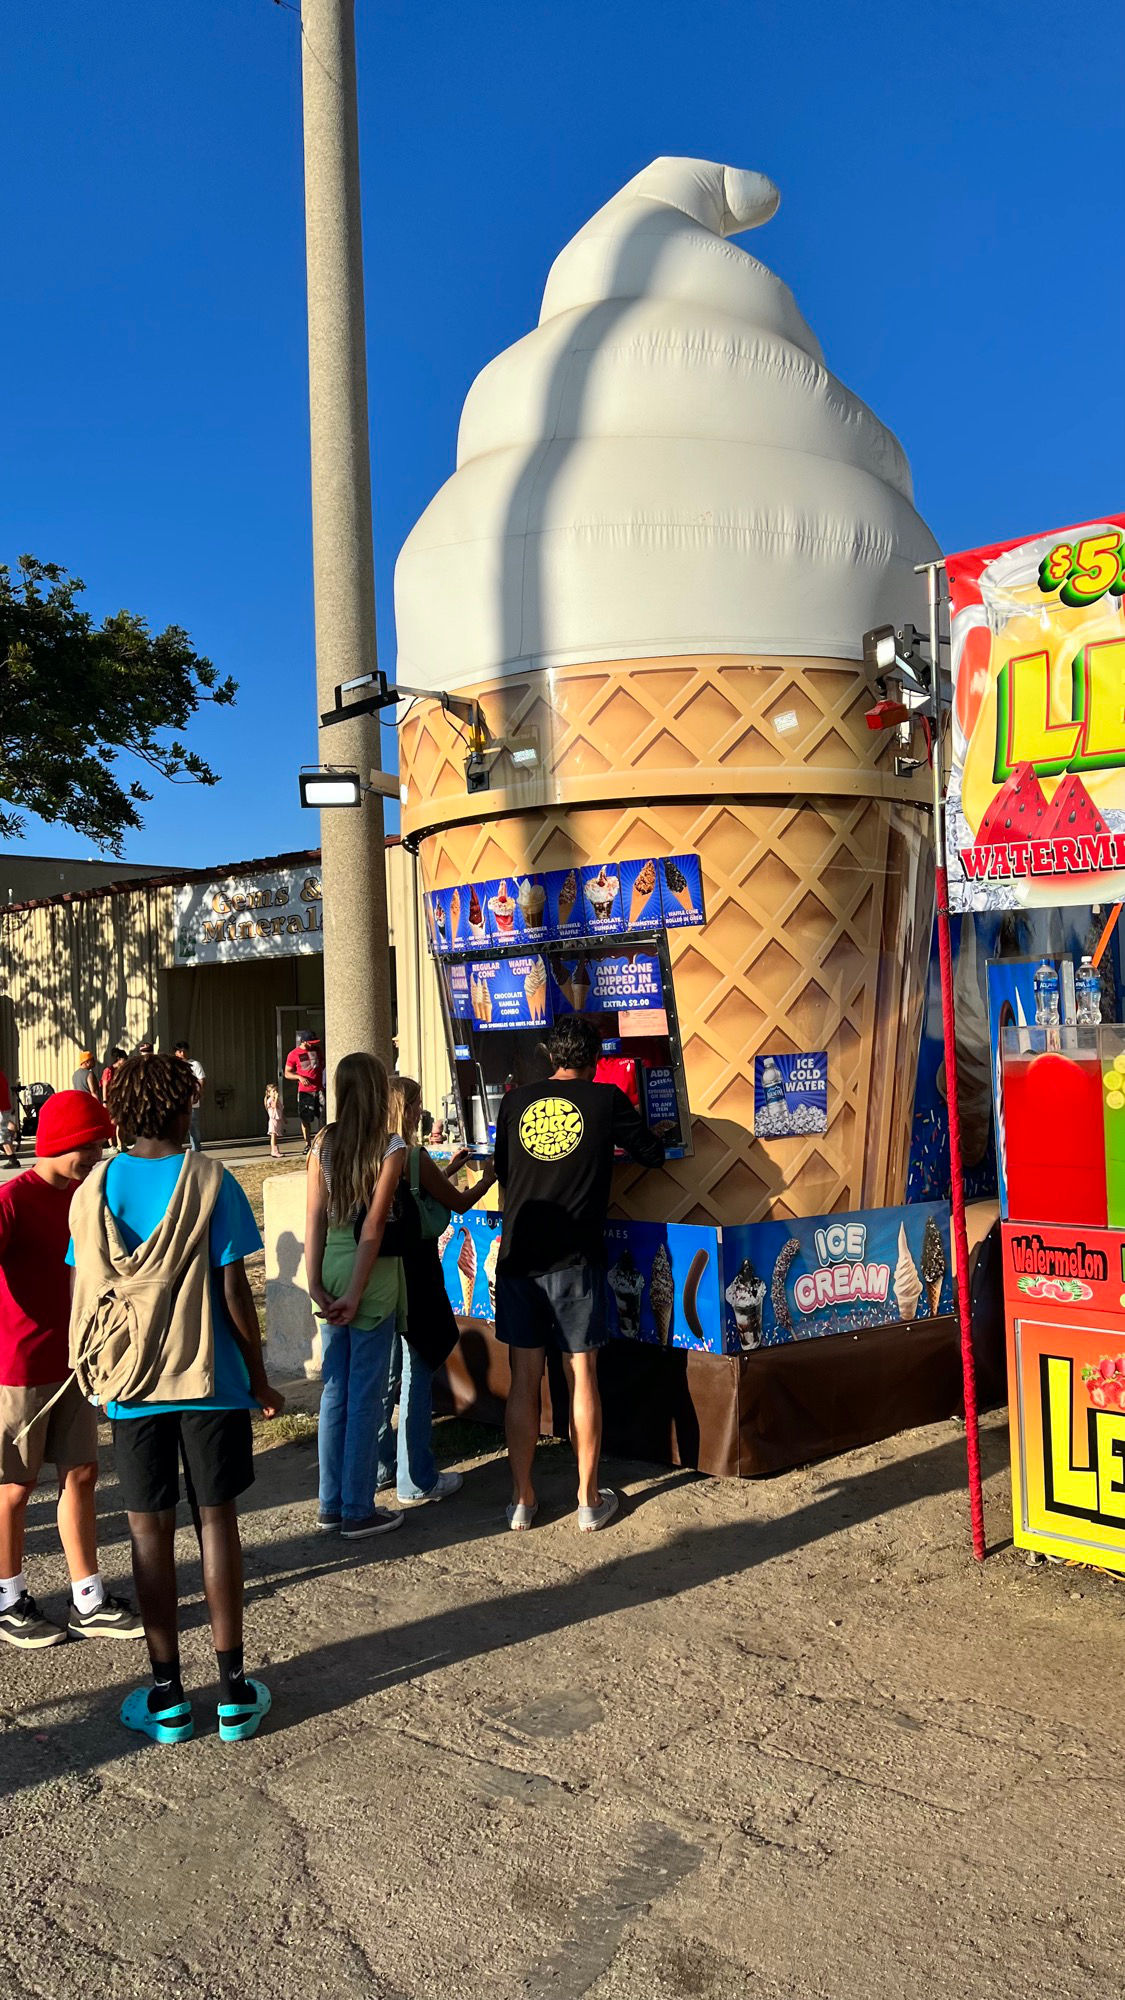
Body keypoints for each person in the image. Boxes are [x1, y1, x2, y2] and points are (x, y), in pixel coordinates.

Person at [69, 1053, 284, 1744]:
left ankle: (165, 1696)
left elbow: (94, 1285)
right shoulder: (211, 1181)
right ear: (184, 1109)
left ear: (120, 1115)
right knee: (216, 1524)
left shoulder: (96, 1188)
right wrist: (258, 1376)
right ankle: (231, 1693)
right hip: (211, 1381)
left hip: (132, 1384)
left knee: (146, 1531)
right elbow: (232, 1295)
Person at [494, 1014, 664, 1533]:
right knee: (582, 1375)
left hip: (519, 1258)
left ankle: (523, 1500)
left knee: (525, 1379)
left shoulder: (514, 1101)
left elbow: (504, 1168)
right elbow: (651, 1155)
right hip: (575, 1260)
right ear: (595, 1059)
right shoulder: (606, 1099)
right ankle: (589, 1501)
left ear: (550, 1055)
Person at [0, 1090, 142, 1648]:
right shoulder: (14, 1199)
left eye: (101, 1144)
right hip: (19, 1366)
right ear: (59, 1143)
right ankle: (9, 1600)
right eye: (88, 1145)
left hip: (78, 1361)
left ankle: (88, 1597)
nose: (96, 1154)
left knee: (80, 1475)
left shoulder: (91, 1197)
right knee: (15, 1485)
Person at [377, 1076, 495, 1505]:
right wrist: (488, 1178)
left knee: (383, 1376)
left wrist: (446, 1170)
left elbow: (414, 1194)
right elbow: (457, 1204)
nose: (422, 1111)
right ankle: (417, 1477)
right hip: (418, 1273)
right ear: (405, 1108)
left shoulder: (373, 1152)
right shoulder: (410, 1154)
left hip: (380, 1272)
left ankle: (381, 1467)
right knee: (417, 1373)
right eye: (418, 1104)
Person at [304, 1052, 407, 1539]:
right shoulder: (390, 1146)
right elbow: (375, 1226)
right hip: (373, 1274)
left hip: (330, 1266)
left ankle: (329, 1503)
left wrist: (316, 1282)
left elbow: (314, 1219)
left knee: (334, 1391)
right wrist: (359, 1291)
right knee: (367, 1394)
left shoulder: (322, 1142)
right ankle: (357, 1507)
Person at [285, 1030, 325, 1154]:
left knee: (323, 1116)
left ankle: (320, 1143)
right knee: (305, 1118)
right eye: (310, 1042)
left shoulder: (317, 1051)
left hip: (319, 1089)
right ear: (303, 1041)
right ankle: (307, 1144)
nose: (312, 1045)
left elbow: (323, 1065)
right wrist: (299, 1077)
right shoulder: (293, 1054)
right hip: (305, 1091)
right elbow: (287, 1073)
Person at [174, 1039, 205, 1152]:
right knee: (178, 1125)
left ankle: (196, 1148)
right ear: (176, 1052)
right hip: (178, 1100)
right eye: (180, 1051)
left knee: (193, 1125)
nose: (183, 1053)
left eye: (184, 1051)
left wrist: (198, 1093)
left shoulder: (194, 1064)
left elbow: (201, 1079)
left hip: (191, 1099)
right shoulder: (174, 1066)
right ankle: (177, 1147)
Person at [265, 1082, 284, 1160]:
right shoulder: (270, 1100)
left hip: (277, 1120)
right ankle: (274, 1151)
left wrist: (284, 1118)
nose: (275, 1093)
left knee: (276, 1136)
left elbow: (280, 1109)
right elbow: (274, 1106)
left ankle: (276, 1150)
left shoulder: (277, 1100)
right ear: (269, 1093)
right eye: (273, 1091)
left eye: (276, 1091)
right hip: (273, 1120)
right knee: (273, 1135)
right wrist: (275, 1098)